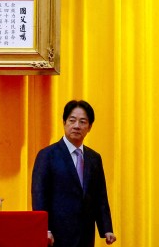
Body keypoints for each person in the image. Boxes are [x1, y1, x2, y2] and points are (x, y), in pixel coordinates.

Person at [32, 100, 116, 247]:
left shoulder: (94, 158)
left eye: (83, 122)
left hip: (85, 234)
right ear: (64, 122)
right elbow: (39, 194)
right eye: (72, 120)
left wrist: (106, 228)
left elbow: (100, 195)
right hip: (56, 235)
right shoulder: (47, 155)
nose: (77, 126)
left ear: (89, 127)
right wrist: (44, 229)